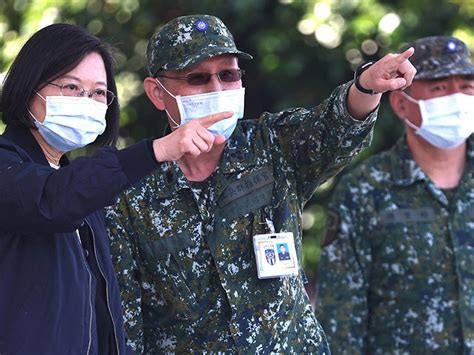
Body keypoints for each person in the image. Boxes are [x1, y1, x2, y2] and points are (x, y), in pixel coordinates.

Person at [104, 14, 416, 353]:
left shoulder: (272, 145)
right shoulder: (130, 192)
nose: (217, 89)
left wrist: (365, 87)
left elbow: (334, 131)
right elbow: (125, 321)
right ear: (157, 93)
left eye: (228, 74)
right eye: (197, 78)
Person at [0, 23, 228, 354]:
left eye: (97, 92)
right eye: (71, 86)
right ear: (29, 88)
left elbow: (100, 316)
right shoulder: (13, 169)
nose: (86, 101)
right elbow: (50, 201)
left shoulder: (80, 188)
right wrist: (156, 150)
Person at [317, 35, 474, 354]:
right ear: (401, 103)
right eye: (440, 88)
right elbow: (340, 319)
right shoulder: (364, 190)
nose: (457, 98)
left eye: (467, 86)